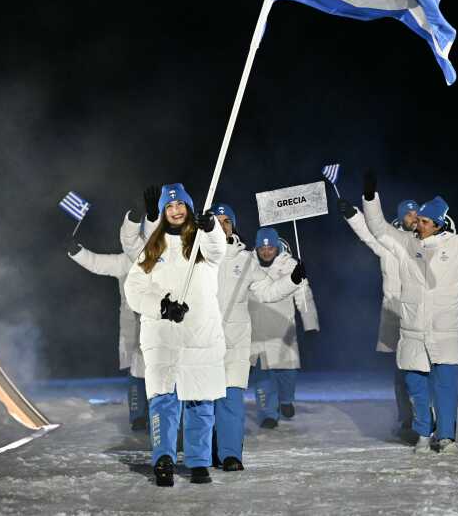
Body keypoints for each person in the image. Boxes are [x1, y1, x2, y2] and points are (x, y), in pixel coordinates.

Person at [340, 173, 458, 455]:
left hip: (446, 330)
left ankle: (446, 437)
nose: (418, 224)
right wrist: (370, 199)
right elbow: (378, 229)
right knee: (413, 383)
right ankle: (422, 428)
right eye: (418, 220)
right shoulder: (407, 245)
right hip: (413, 330)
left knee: (445, 386)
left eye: (424, 221)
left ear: (439, 224)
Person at [123, 183, 227, 487]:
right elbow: (134, 290)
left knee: (200, 402)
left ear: (189, 208)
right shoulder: (152, 248)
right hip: (163, 336)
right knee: (164, 401)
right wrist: (162, 307)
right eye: (170, 207)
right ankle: (164, 459)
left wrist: (211, 229)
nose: (176, 210)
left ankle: (198, 462)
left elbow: (218, 249)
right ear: (164, 212)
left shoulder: (201, 245)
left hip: (200, 335)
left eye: (180, 205)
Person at [207, 202, 308, 470]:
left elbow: (267, 292)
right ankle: (204, 450)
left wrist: (293, 281)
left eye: (226, 221)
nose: (221, 225)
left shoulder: (247, 260)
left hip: (236, 341)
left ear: (234, 226)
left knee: (231, 399)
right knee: (202, 401)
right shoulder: (195, 255)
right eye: (215, 220)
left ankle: (230, 454)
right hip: (202, 340)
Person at [341, 184, 418, 437]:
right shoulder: (387, 243)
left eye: (417, 214)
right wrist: (352, 214)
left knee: (422, 369)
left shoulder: (425, 242)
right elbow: (368, 232)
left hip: (420, 313)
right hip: (395, 313)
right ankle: (407, 419)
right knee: (402, 370)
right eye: (409, 214)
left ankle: (426, 418)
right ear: (400, 217)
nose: (414, 218)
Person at [66, 210, 149, 430]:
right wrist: (76, 251)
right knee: (136, 371)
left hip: (162, 324)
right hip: (134, 328)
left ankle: (161, 413)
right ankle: (138, 415)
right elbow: (96, 262)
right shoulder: (125, 262)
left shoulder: (165, 258)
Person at [248, 227, 319, 428]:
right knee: (263, 376)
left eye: (270, 247)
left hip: (283, 329)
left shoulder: (290, 265)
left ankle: (286, 400)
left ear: (277, 246)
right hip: (257, 330)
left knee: (287, 374)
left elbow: (304, 296)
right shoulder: (248, 264)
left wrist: (310, 324)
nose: (266, 251)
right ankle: (268, 413)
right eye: (262, 248)